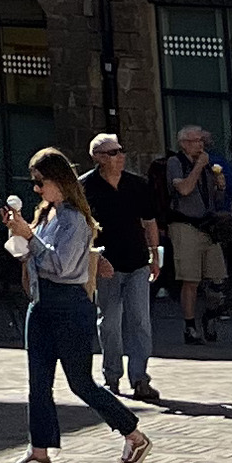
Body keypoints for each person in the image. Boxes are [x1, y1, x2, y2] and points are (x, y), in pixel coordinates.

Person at [0, 149, 150, 463]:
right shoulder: (47, 214)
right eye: (34, 183)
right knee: (37, 383)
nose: (36, 189)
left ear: (59, 180)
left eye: (41, 182)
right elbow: (30, 255)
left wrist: (29, 236)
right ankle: (39, 453)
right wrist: (18, 232)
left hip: (68, 303)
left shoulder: (75, 219)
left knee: (80, 382)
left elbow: (60, 265)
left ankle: (133, 435)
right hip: (41, 304)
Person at [79, 132, 163, 405]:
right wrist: (93, 259)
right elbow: (81, 229)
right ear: (98, 158)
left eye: (121, 151)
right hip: (106, 265)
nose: (120, 156)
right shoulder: (85, 187)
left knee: (140, 320)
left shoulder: (137, 185)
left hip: (137, 261)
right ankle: (111, 375)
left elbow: (149, 221)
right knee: (110, 321)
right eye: (113, 153)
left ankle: (140, 378)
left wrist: (155, 255)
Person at [161, 125, 232, 348]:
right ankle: (190, 326)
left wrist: (220, 187)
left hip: (207, 224)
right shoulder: (176, 163)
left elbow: (212, 198)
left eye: (202, 141)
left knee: (217, 278)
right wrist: (198, 167)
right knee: (191, 280)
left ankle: (210, 316)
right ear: (184, 143)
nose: (201, 145)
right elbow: (184, 189)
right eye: (196, 141)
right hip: (184, 224)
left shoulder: (206, 165)